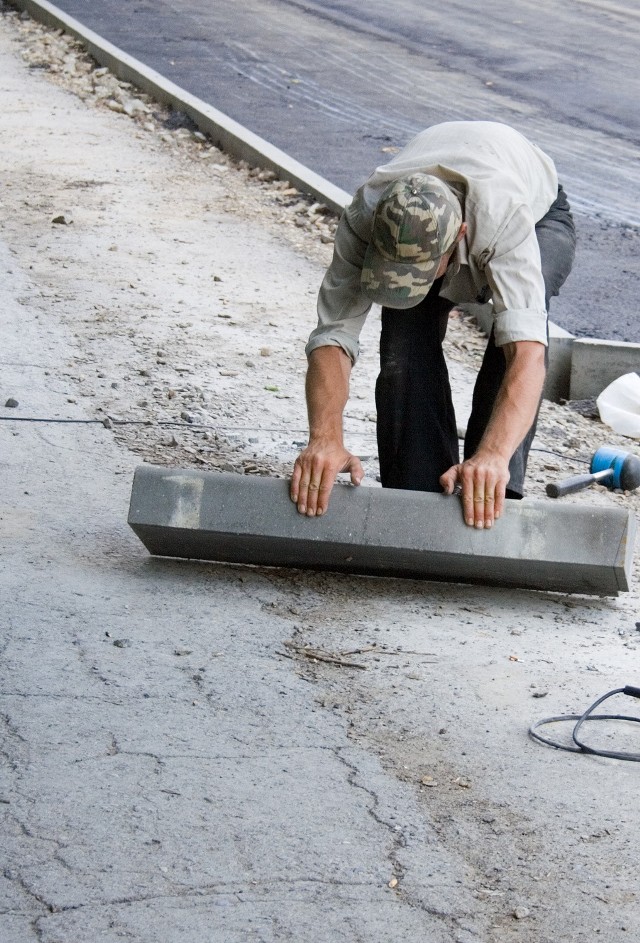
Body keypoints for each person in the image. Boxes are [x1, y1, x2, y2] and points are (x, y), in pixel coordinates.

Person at [290, 120, 576, 528]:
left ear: (458, 237)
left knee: (512, 338)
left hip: (537, 214)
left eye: (421, 269)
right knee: (404, 330)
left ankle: (492, 488)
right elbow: (333, 336)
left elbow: (527, 356)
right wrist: (325, 438)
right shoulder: (366, 215)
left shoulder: (502, 218)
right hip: (441, 203)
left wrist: (492, 456)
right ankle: (416, 488)